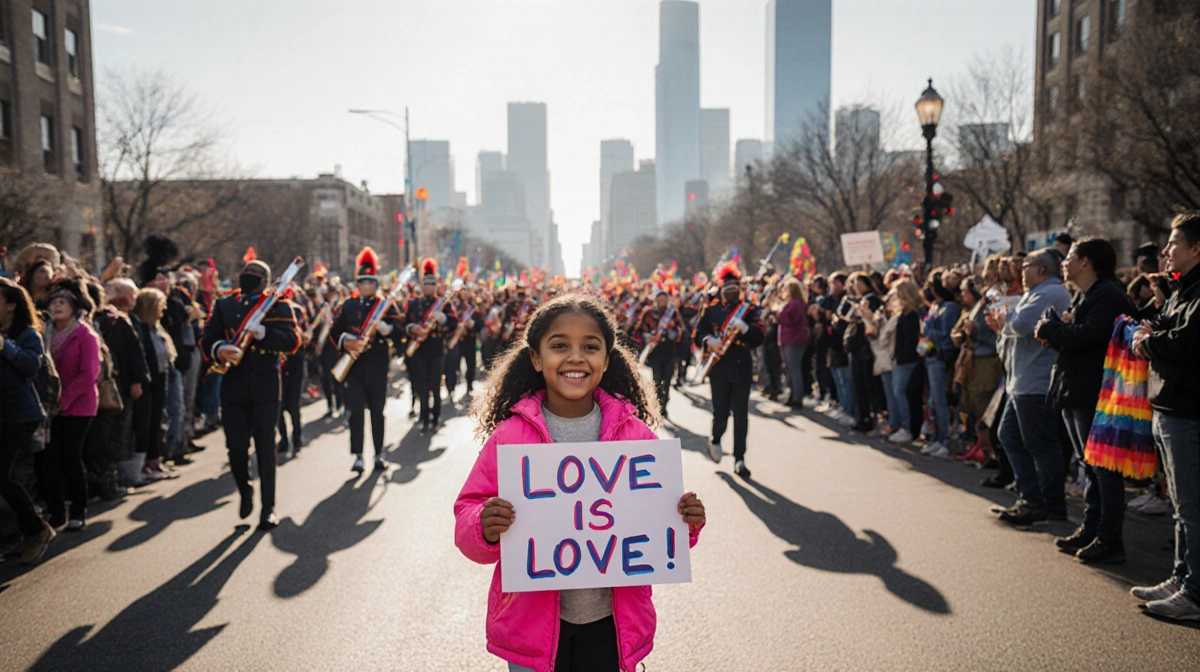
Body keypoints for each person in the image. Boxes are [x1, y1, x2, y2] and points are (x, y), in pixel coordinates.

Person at [454, 294, 705, 672]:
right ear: (536, 358)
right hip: (531, 630)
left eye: (590, 347)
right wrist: (483, 526)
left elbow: (660, 532)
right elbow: (467, 515)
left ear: (606, 360)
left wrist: (686, 522)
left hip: (612, 626)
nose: (575, 357)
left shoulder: (634, 435)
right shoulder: (510, 437)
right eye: (559, 346)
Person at [1036, 237, 1136, 564]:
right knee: (1089, 466)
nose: (1064, 262)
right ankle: (1090, 528)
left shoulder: (1108, 295)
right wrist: (1057, 331)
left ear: (1086, 262)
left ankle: (1110, 538)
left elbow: (1091, 337)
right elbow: (1078, 338)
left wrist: (1052, 328)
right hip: (1077, 387)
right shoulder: (1086, 294)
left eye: (1071, 257)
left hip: (1094, 391)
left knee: (1103, 469)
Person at [1130, 213, 1200, 621]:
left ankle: (1194, 592)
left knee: (1191, 506)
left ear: (1196, 248)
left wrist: (1149, 341)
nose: (1166, 250)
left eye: (1174, 244)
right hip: (1168, 404)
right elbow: (1164, 327)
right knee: (1180, 504)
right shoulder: (1180, 287)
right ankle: (1181, 576)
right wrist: (1150, 328)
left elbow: (1187, 340)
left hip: (1187, 408)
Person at [202, 258, 300, 530]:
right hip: (234, 386)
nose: (249, 277)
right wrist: (220, 349)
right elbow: (208, 338)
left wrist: (264, 333)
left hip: (266, 385)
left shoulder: (277, 305)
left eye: (256, 274)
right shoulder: (225, 304)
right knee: (235, 448)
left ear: (266, 281)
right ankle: (245, 490)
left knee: (266, 448)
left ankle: (268, 507)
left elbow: (292, 341)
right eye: (246, 272)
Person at [988, 250, 1072, 525]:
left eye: (1025, 265)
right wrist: (1003, 324)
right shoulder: (1034, 293)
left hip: (1037, 382)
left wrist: (1004, 321)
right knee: (1008, 436)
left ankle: (1050, 504)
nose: (1020, 270)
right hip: (1020, 381)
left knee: (1041, 445)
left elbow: (1020, 324)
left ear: (1042, 269)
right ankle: (1030, 498)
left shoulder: (1050, 293)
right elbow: (1011, 327)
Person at [331, 248, 404, 471]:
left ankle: (379, 453)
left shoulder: (386, 305)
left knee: (377, 412)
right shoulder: (348, 305)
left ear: (375, 283)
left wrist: (388, 329)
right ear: (358, 284)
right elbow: (335, 332)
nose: (367, 286)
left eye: (370, 282)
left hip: (378, 365)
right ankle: (359, 455)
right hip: (355, 366)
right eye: (362, 282)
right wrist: (346, 340)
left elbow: (400, 333)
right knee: (355, 412)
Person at [0, 278, 56, 564]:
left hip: (21, 415)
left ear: (11, 305)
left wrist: (4, 346)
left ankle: (36, 529)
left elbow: (31, 366)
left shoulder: (26, 334)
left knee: (3, 476)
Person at [37, 281, 101, 530]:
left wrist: (63, 402)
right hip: (49, 405)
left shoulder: (86, 335)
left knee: (70, 457)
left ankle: (78, 510)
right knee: (48, 459)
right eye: (54, 301)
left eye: (63, 302)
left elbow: (88, 374)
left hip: (78, 406)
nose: (58, 305)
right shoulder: (44, 332)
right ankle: (55, 512)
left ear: (75, 308)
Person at [693, 262, 765, 478]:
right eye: (728, 286)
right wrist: (708, 341)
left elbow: (760, 337)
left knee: (741, 414)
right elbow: (697, 335)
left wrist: (746, 329)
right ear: (722, 287)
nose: (732, 289)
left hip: (742, 366)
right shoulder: (711, 309)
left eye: (735, 285)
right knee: (721, 413)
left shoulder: (749, 310)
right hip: (719, 368)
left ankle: (740, 458)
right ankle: (715, 438)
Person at [404, 258, 459, 435]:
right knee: (421, 385)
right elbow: (404, 323)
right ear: (421, 285)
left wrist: (443, 321)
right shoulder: (414, 303)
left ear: (436, 286)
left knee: (435, 386)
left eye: (431, 284)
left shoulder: (443, 304)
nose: (428, 287)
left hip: (436, 350)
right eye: (425, 284)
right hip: (419, 351)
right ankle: (424, 418)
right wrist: (412, 328)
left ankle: (435, 418)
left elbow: (453, 324)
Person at [919, 273, 962, 457]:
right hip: (929, 355)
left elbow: (946, 334)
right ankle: (935, 437)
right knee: (932, 402)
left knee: (940, 400)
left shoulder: (950, 307)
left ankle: (944, 440)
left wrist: (928, 331)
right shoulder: (935, 306)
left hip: (940, 357)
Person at [632, 289, 684, 419]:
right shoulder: (649, 313)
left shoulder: (672, 314)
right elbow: (639, 331)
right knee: (656, 380)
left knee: (667, 380)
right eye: (659, 298)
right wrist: (647, 337)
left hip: (669, 351)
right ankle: (657, 404)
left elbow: (681, 331)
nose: (661, 301)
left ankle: (664, 405)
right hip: (655, 352)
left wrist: (673, 328)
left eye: (664, 298)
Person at [775, 277, 810, 407]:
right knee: (789, 368)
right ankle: (792, 393)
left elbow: (790, 319)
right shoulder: (790, 303)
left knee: (794, 368)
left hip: (794, 339)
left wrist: (778, 312)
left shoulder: (795, 304)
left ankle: (797, 397)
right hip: (787, 338)